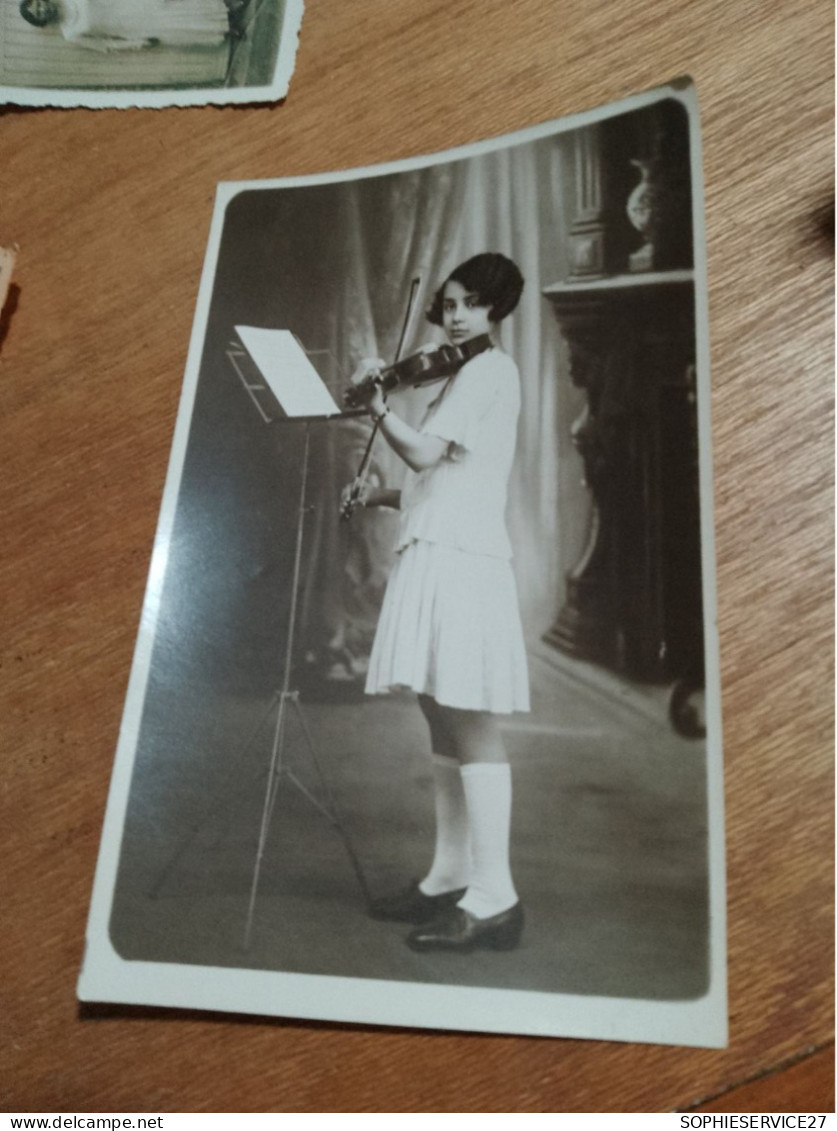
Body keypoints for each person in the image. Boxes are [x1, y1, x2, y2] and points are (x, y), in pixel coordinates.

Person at [342, 252, 530, 954]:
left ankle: (496, 897)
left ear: (496, 309)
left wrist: (378, 407)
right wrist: (379, 493)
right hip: (438, 542)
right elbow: (444, 476)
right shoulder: (462, 370)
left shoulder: (488, 370)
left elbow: (423, 455)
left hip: (462, 557)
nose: (456, 315)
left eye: (472, 304)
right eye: (450, 302)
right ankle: (449, 874)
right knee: (437, 708)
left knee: (467, 715)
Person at [18, 0, 247, 50]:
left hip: (133, 4)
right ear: (40, 21)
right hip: (132, 27)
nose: (41, 9)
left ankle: (229, 8)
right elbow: (105, 45)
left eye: (37, 4)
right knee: (178, 27)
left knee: (182, 5)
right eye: (36, 13)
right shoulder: (70, 33)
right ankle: (226, 30)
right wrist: (136, 44)